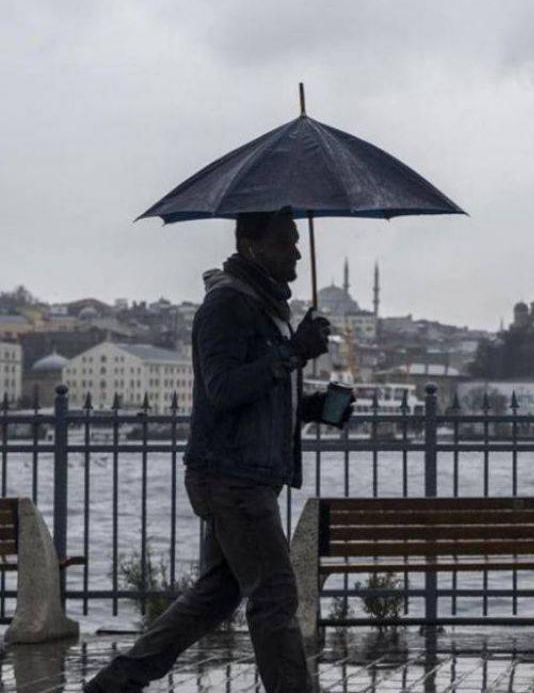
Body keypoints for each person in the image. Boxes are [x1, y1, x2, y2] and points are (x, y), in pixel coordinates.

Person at [88, 209, 353, 693]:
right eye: (286, 241)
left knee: (216, 594)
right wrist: (294, 353)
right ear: (253, 246)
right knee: (273, 595)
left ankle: (115, 683)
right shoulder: (226, 305)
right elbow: (223, 388)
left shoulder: (264, 307)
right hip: (230, 477)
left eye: (297, 240)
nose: (297, 250)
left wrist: (317, 407)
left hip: (244, 474)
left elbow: (263, 396)